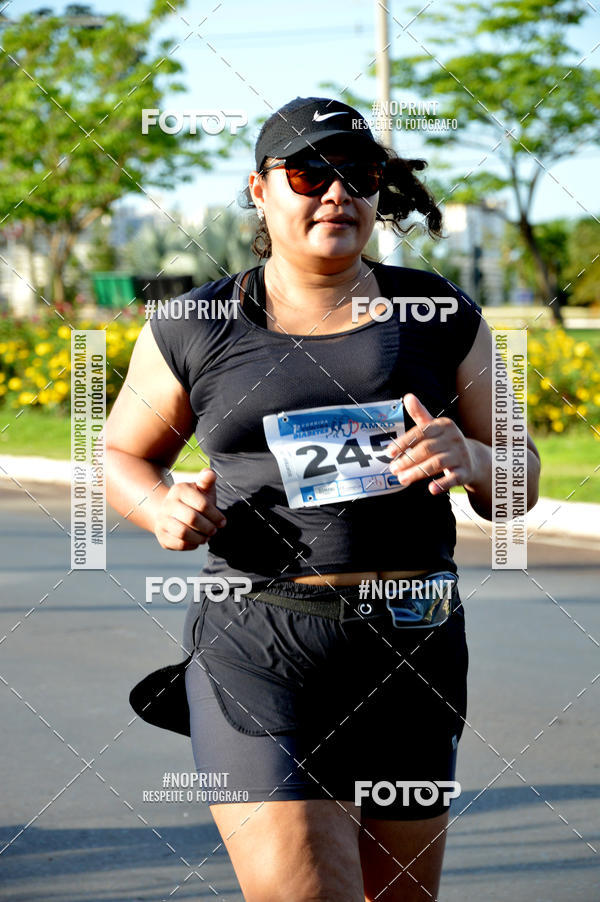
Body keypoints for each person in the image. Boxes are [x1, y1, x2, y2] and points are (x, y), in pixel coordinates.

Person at [105, 96, 541, 902]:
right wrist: (160, 507)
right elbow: (124, 455)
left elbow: (519, 481)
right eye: (310, 172)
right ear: (260, 190)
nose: (337, 192)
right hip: (261, 644)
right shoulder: (196, 323)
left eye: (360, 174)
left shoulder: (440, 315)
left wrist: (476, 457)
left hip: (415, 645)